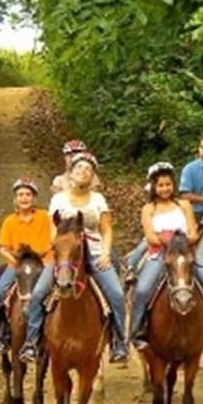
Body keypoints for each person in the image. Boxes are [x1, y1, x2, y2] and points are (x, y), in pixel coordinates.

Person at [20, 152, 129, 364]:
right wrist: (60, 248)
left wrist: (106, 253)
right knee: (39, 293)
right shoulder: (58, 199)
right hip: (65, 255)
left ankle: (119, 343)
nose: (83, 172)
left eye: (88, 170)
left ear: (93, 176)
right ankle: (32, 342)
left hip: (95, 253)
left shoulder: (98, 200)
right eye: (79, 168)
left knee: (116, 294)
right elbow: (53, 229)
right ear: (71, 173)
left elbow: (106, 230)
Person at [128, 162, 203, 350]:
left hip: (185, 253)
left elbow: (193, 233)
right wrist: (169, 242)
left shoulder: (183, 204)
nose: (165, 189)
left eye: (168, 184)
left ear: (173, 184)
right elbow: (150, 237)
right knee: (142, 290)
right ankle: (137, 330)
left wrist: (182, 242)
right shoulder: (148, 208)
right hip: (160, 254)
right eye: (160, 185)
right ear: (154, 187)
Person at [0, 178, 54, 352]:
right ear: (15, 199)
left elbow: (53, 241)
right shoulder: (10, 221)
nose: (24, 198)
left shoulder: (44, 217)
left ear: (34, 198)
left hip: (43, 263)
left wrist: (45, 252)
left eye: (28, 194)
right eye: (20, 195)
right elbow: (3, 248)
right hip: (18, 264)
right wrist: (15, 261)